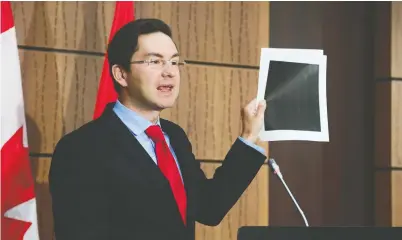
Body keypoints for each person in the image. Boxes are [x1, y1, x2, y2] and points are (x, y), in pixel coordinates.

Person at [49, 18, 267, 240]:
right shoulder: (80, 149)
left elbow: (208, 208)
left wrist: (248, 136)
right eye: (155, 62)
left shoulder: (175, 136)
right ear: (121, 74)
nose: (169, 72)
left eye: (174, 62)